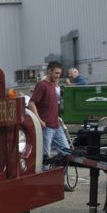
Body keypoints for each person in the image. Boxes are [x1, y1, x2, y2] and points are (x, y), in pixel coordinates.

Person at [28, 61, 74, 189]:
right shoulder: (42, 85)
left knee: (66, 153)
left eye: (59, 73)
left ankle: (60, 181)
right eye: (56, 73)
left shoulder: (54, 85)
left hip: (56, 126)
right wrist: (39, 120)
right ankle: (45, 184)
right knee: (45, 157)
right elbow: (32, 103)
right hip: (46, 127)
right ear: (49, 71)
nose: (58, 75)